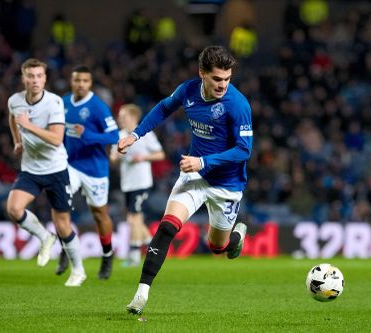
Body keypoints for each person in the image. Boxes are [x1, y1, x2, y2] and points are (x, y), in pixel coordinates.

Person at [118, 45, 253, 315]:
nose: (222, 85)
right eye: (217, 78)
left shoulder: (238, 105)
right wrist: (135, 135)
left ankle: (235, 237)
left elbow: (244, 150)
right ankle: (141, 294)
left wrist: (203, 161)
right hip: (194, 175)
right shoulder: (188, 90)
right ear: (202, 73)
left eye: (227, 79)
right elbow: (163, 108)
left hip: (226, 184)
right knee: (168, 226)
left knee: (218, 247)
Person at [6, 58, 86, 287]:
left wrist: (28, 126)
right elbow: (13, 118)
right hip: (31, 168)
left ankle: (78, 270)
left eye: (39, 76)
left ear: (45, 78)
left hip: (56, 169)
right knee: (13, 208)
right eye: (30, 76)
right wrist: (17, 141)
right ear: (23, 78)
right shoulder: (15, 101)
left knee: (62, 224)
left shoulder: (54, 103)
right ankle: (44, 237)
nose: (35, 80)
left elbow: (56, 139)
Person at [56, 65, 119, 279]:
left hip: (95, 169)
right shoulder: (63, 103)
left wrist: (89, 135)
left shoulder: (98, 107)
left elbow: (114, 137)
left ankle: (107, 255)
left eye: (85, 81)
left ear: (90, 83)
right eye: (77, 80)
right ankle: (67, 247)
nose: (80, 84)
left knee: (100, 215)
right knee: (60, 203)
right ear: (71, 82)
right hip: (71, 165)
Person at [110, 104, 165, 267]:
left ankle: (134, 254)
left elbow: (160, 154)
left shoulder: (145, 134)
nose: (120, 119)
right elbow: (113, 159)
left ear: (133, 118)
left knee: (134, 217)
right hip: (127, 183)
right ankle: (154, 245)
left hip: (141, 182)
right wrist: (118, 155)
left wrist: (143, 157)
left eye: (123, 116)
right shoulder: (119, 135)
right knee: (133, 218)